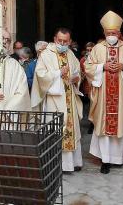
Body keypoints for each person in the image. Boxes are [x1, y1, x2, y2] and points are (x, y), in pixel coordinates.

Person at [85, 11, 123, 174]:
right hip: (103, 95)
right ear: (104, 33)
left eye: (114, 33)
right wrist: (102, 67)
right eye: (108, 33)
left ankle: (118, 158)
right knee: (105, 125)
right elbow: (88, 67)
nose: (111, 35)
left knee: (120, 123)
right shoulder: (98, 48)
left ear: (119, 33)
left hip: (121, 95)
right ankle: (105, 159)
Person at [31, 27, 83, 172]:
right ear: (54, 39)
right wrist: (58, 73)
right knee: (56, 129)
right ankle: (55, 164)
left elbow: (78, 72)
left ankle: (72, 163)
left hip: (69, 98)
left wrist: (77, 78)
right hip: (54, 99)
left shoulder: (71, 54)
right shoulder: (46, 54)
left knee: (71, 128)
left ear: (70, 41)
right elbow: (40, 75)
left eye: (65, 41)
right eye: (59, 40)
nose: (62, 43)